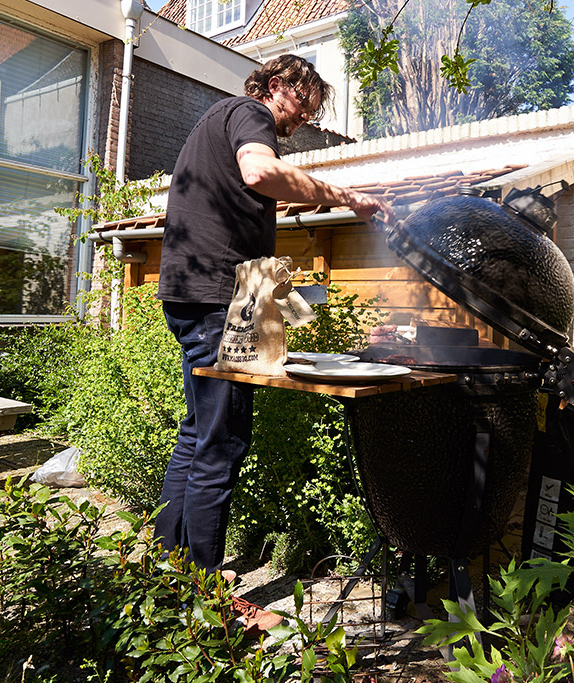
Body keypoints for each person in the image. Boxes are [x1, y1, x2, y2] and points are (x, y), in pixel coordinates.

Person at [154, 55, 391, 628]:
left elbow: (252, 203)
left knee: (197, 433)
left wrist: (293, 299)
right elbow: (260, 173)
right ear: (277, 85)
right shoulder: (247, 114)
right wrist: (345, 195)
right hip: (218, 298)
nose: (305, 116)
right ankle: (205, 600)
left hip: (196, 292)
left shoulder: (218, 122)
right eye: (304, 101)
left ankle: (169, 568)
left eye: (312, 110)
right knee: (224, 441)